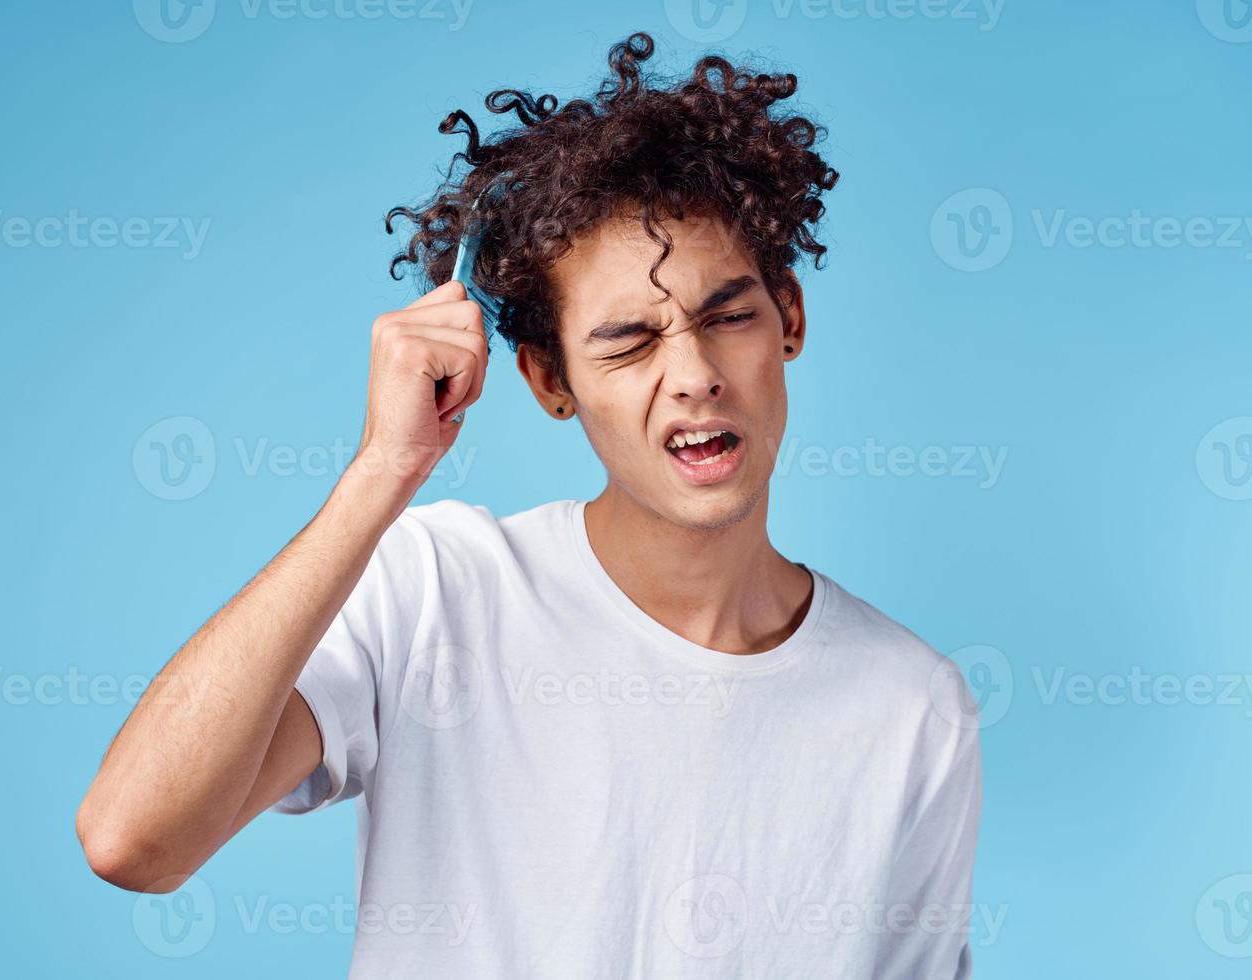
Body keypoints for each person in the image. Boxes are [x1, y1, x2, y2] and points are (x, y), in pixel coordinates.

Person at [76, 32, 983, 979]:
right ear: (551, 380)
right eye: (629, 342)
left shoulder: (913, 708)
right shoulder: (437, 592)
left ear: (788, 318)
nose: (695, 376)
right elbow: (133, 840)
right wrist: (382, 471)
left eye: (727, 317)